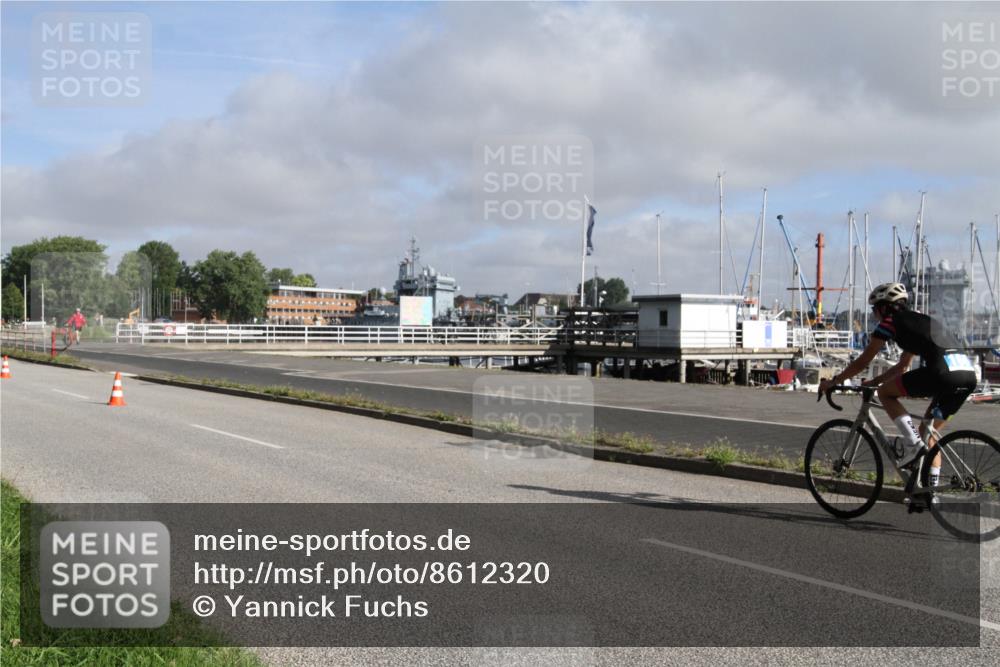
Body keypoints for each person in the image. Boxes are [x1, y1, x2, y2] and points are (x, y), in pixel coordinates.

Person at [818, 282, 977, 489]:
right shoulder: (920, 322)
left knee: (885, 394)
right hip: (967, 376)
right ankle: (929, 492)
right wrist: (874, 382)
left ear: (885, 307)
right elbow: (902, 366)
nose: (874, 314)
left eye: (874, 309)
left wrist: (834, 381)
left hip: (942, 374)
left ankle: (912, 446)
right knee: (928, 437)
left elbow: (864, 360)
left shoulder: (890, 322)